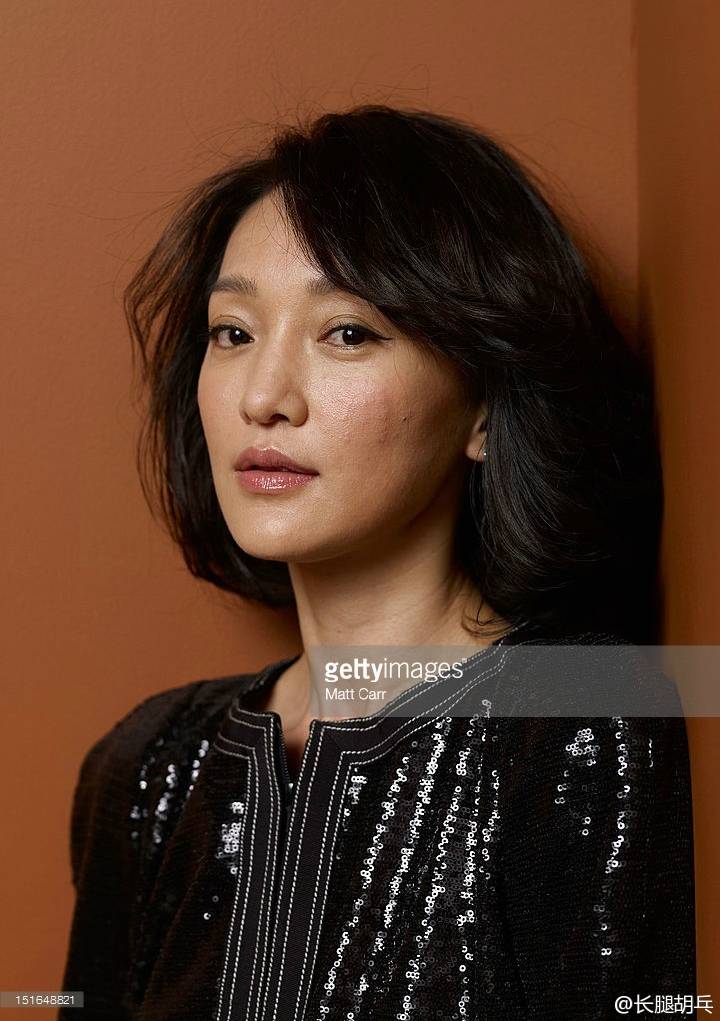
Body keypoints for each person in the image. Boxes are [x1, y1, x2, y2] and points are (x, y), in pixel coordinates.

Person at [59, 104, 695, 1020]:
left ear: (483, 404)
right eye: (233, 332)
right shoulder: (147, 768)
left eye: (348, 332)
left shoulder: (573, 727)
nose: (264, 397)